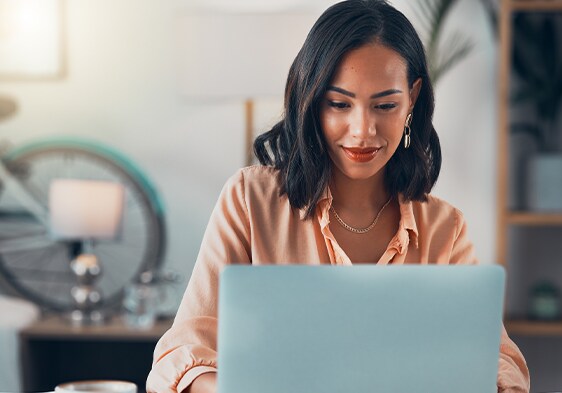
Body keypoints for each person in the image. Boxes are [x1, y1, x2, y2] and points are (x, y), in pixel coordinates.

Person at [146, 1, 530, 392]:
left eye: (385, 105)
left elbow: (497, 358)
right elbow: (183, 354)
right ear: (311, 102)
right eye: (339, 104)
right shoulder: (249, 200)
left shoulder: (444, 228)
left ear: (412, 100)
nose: (362, 130)